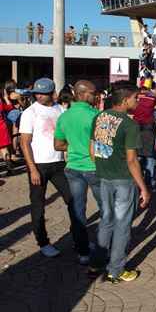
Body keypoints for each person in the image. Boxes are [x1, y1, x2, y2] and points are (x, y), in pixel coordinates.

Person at [89, 81, 151, 283]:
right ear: (125, 100)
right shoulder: (129, 124)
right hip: (123, 180)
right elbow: (132, 160)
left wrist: (103, 166)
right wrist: (143, 187)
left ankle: (96, 263)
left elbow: (93, 150)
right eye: (136, 98)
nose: (138, 101)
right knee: (122, 226)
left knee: (106, 221)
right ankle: (115, 270)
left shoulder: (99, 117)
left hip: (103, 177)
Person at [19, 78, 80, 258]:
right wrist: (33, 169)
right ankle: (43, 242)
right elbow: (24, 143)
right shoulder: (30, 113)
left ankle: (78, 236)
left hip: (59, 164)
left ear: (52, 93)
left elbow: (67, 136)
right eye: (36, 93)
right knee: (38, 206)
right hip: (38, 165)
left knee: (73, 200)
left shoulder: (60, 110)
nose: (39, 96)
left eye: (43, 93)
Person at [53, 80, 102, 265]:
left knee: (77, 211)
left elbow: (58, 145)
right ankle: (104, 247)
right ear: (83, 94)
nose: (96, 96)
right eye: (93, 92)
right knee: (105, 208)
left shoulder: (64, 117)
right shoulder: (96, 115)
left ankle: (83, 252)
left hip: (73, 168)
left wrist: (74, 146)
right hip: (94, 168)